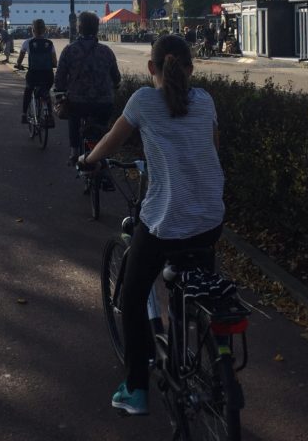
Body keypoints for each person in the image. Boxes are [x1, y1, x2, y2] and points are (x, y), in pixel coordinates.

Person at [77, 34, 225, 416]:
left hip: (166, 220)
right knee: (193, 287)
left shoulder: (143, 100)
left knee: (131, 293)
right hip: (210, 217)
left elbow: (112, 140)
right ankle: (194, 351)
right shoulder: (205, 100)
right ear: (191, 68)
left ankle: (136, 389)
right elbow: (211, 146)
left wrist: (88, 160)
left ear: (151, 68)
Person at [53, 10, 121, 163]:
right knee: (102, 126)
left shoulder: (70, 50)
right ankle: (103, 157)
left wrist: (60, 92)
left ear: (79, 28)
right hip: (104, 102)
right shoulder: (106, 51)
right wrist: (115, 86)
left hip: (78, 101)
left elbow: (60, 77)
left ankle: (74, 151)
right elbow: (116, 77)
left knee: (74, 117)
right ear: (97, 29)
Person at [15, 18, 58, 124]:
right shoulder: (49, 43)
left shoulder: (27, 43)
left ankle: (24, 115)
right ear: (45, 30)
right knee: (46, 92)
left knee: (28, 91)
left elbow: (20, 59)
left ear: (32, 30)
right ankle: (50, 117)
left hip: (33, 74)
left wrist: (18, 65)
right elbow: (55, 62)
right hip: (47, 75)